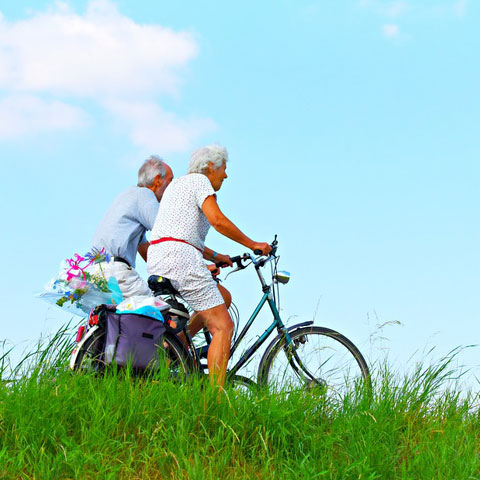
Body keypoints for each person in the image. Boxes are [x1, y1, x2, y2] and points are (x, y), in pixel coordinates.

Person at [147, 145, 271, 387]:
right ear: (211, 167)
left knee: (222, 297)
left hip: (161, 257)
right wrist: (253, 244)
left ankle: (176, 348)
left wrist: (215, 256)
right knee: (223, 326)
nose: (225, 175)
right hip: (180, 259)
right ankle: (214, 403)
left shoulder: (178, 186)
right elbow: (218, 220)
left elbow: (179, 233)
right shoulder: (200, 182)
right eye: (224, 169)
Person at [91, 155, 173, 299]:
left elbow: (146, 250)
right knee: (158, 312)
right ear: (158, 179)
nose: (172, 188)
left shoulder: (128, 195)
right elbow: (169, 233)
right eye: (171, 181)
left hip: (97, 272)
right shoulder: (145, 195)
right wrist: (198, 266)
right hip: (116, 272)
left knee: (118, 319)